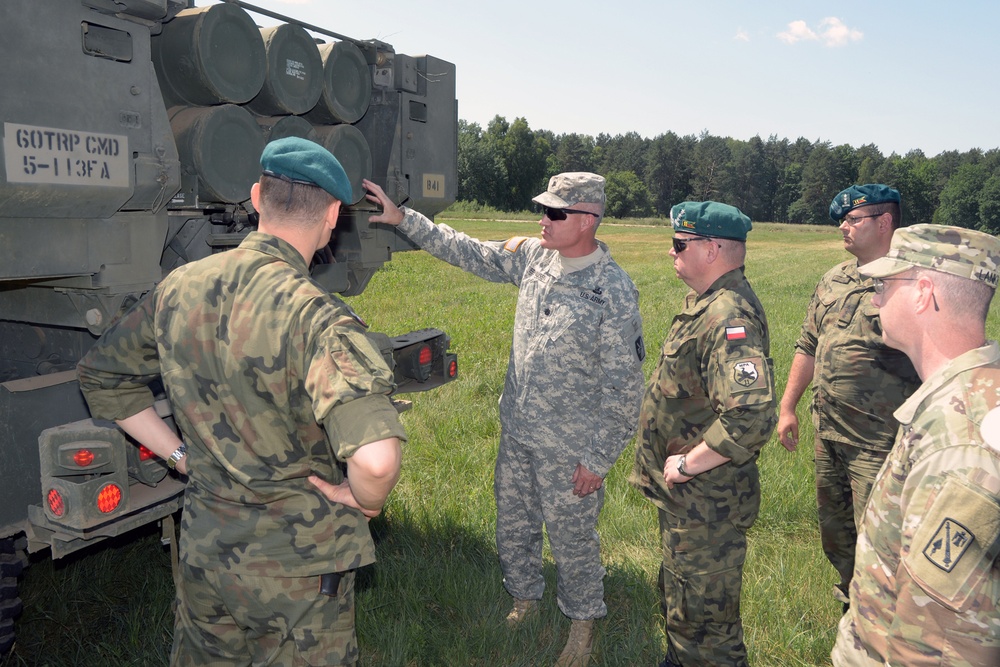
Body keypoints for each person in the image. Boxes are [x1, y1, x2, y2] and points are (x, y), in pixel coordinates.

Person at [77, 137, 406, 666]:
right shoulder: (318, 318)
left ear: (256, 198)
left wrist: (180, 458)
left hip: (207, 550)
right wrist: (366, 502)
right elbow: (376, 458)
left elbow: (102, 377)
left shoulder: (179, 288)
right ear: (333, 215)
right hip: (298, 572)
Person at [363, 172, 645, 666]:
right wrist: (404, 218)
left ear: (586, 220)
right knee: (513, 525)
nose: (543, 219)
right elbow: (468, 250)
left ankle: (582, 625)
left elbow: (624, 388)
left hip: (570, 445)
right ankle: (524, 599)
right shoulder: (536, 258)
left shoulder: (613, 290)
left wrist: (597, 460)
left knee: (573, 539)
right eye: (544, 209)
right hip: (518, 430)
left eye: (555, 212)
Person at [831, 224, 1000, 667]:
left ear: (923, 292)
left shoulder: (956, 440)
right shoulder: (974, 392)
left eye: (885, 285)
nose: (874, 298)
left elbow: (939, 644)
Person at [630, 201, 776, 667]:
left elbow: (751, 415)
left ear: (712, 249)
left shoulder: (729, 317)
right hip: (691, 506)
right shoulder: (709, 305)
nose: (671, 253)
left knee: (708, 633)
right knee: (685, 614)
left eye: (679, 244)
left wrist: (688, 464)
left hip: (707, 505)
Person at [777, 184, 920, 607]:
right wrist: (788, 407)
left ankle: (887, 617)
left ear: (884, 222)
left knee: (882, 538)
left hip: (881, 441)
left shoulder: (912, 282)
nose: (844, 226)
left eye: (853, 220)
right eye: (843, 220)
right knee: (836, 532)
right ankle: (851, 600)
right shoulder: (834, 278)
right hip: (830, 433)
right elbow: (808, 344)